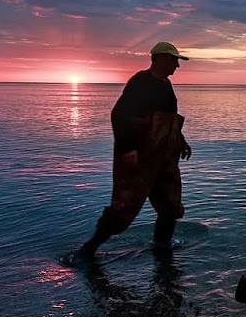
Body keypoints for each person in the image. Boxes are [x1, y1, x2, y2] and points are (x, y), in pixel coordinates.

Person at [64, 41, 192, 263]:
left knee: (170, 206)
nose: (176, 66)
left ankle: (162, 249)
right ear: (160, 58)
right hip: (138, 158)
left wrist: (181, 140)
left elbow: (169, 118)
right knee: (124, 207)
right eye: (174, 60)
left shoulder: (166, 85)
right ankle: (87, 251)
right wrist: (128, 149)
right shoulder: (140, 82)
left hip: (164, 159)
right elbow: (119, 116)